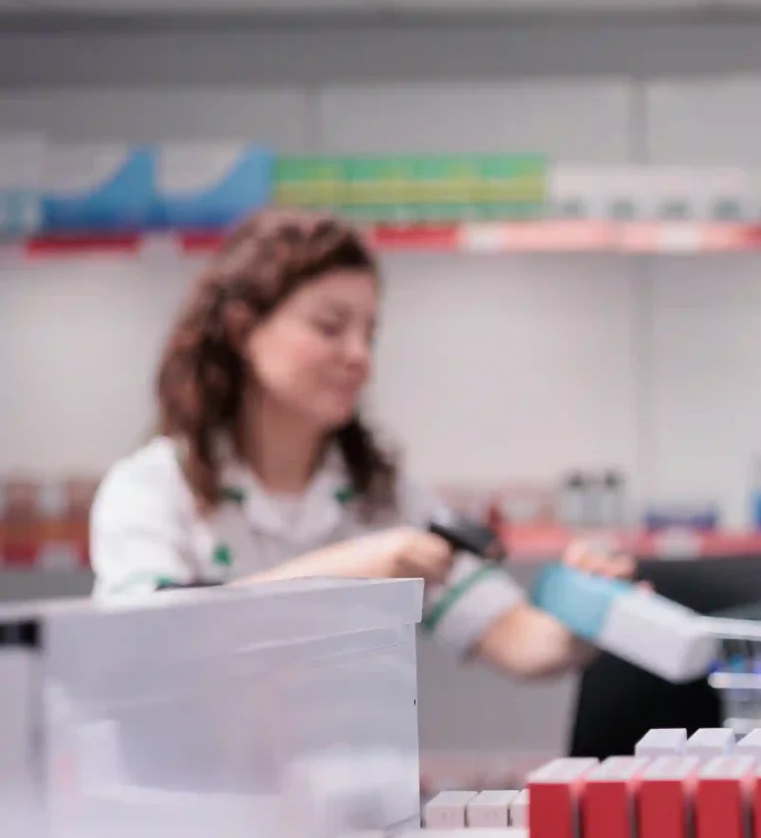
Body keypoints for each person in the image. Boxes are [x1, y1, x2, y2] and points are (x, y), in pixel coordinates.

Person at [89, 208, 629, 677]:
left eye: (368, 334)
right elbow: (140, 648)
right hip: (193, 788)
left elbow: (516, 639)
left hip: (347, 788)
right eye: (330, 327)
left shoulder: (384, 497)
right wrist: (348, 573)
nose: (359, 356)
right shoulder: (152, 488)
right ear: (240, 328)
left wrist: (592, 618)